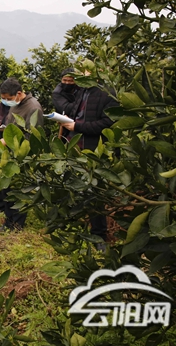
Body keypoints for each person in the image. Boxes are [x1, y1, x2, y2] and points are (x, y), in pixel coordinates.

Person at [57, 73, 118, 244]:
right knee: (75, 189)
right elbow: (75, 112)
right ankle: (77, 228)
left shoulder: (108, 94)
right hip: (76, 148)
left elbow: (108, 123)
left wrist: (77, 126)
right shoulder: (82, 91)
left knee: (94, 193)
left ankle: (99, 236)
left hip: (94, 152)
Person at [0, 78, 44, 231]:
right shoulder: (15, 105)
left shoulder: (33, 108)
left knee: (18, 191)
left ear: (18, 94)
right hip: (10, 156)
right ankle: (8, 222)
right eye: (3, 98)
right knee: (7, 190)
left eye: (8, 98)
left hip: (22, 157)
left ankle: (16, 225)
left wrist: (9, 141)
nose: (6, 101)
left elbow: (33, 137)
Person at [51, 68, 85, 140]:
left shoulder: (80, 87)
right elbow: (66, 109)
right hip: (66, 126)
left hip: (82, 122)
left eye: (70, 81)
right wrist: (82, 101)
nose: (67, 83)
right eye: (64, 80)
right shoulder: (57, 93)